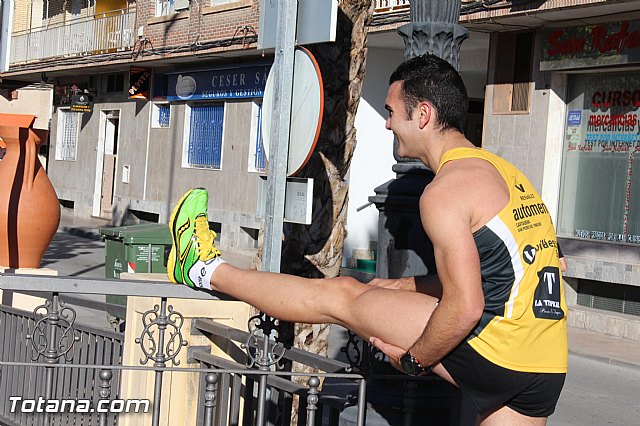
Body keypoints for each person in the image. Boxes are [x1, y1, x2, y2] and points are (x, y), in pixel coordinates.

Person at [167, 54, 567, 425]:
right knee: (368, 292)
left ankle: (201, 266)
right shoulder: (507, 174)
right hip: (545, 363)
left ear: (423, 114)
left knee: (341, 295)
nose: (388, 123)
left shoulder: (447, 189)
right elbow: (504, 274)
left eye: (392, 112)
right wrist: (397, 285)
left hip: (497, 342)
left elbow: (465, 306)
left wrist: (414, 362)